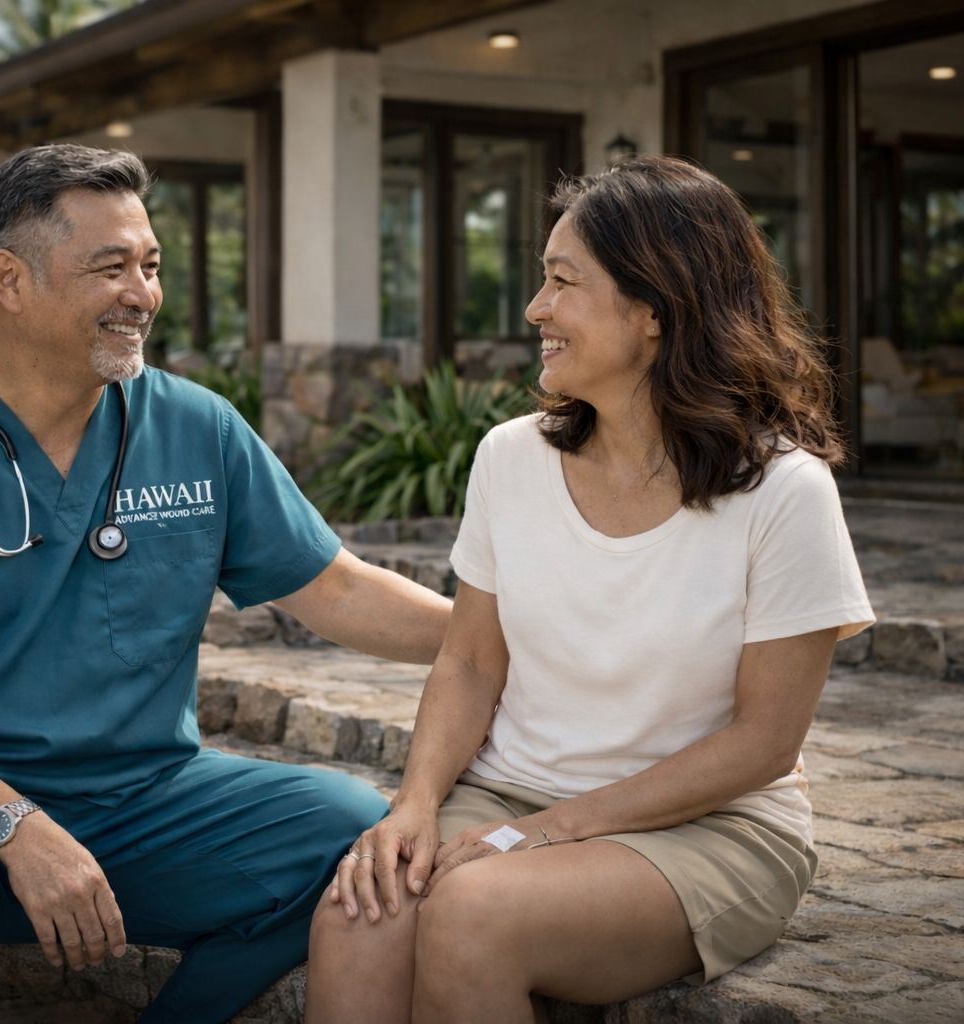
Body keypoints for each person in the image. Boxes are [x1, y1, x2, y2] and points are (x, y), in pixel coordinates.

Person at [0, 143, 452, 1024]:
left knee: (351, 835)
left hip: (136, 802)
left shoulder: (196, 427)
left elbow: (336, 589)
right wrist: (16, 825)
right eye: (111, 267)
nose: (144, 294)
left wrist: (499, 633)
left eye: (152, 265)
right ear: (9, 280)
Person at [306, 155, 875, 1023]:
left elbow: (765, 741)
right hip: (506, 791)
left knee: (473, 915)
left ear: (654, 309)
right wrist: (415, 804)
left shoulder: (784, 490)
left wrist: (545, 834)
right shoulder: (511, 456)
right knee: (362, 907)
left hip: (709, 828)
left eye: (562, 283)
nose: (536, 309)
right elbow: (468, 659)